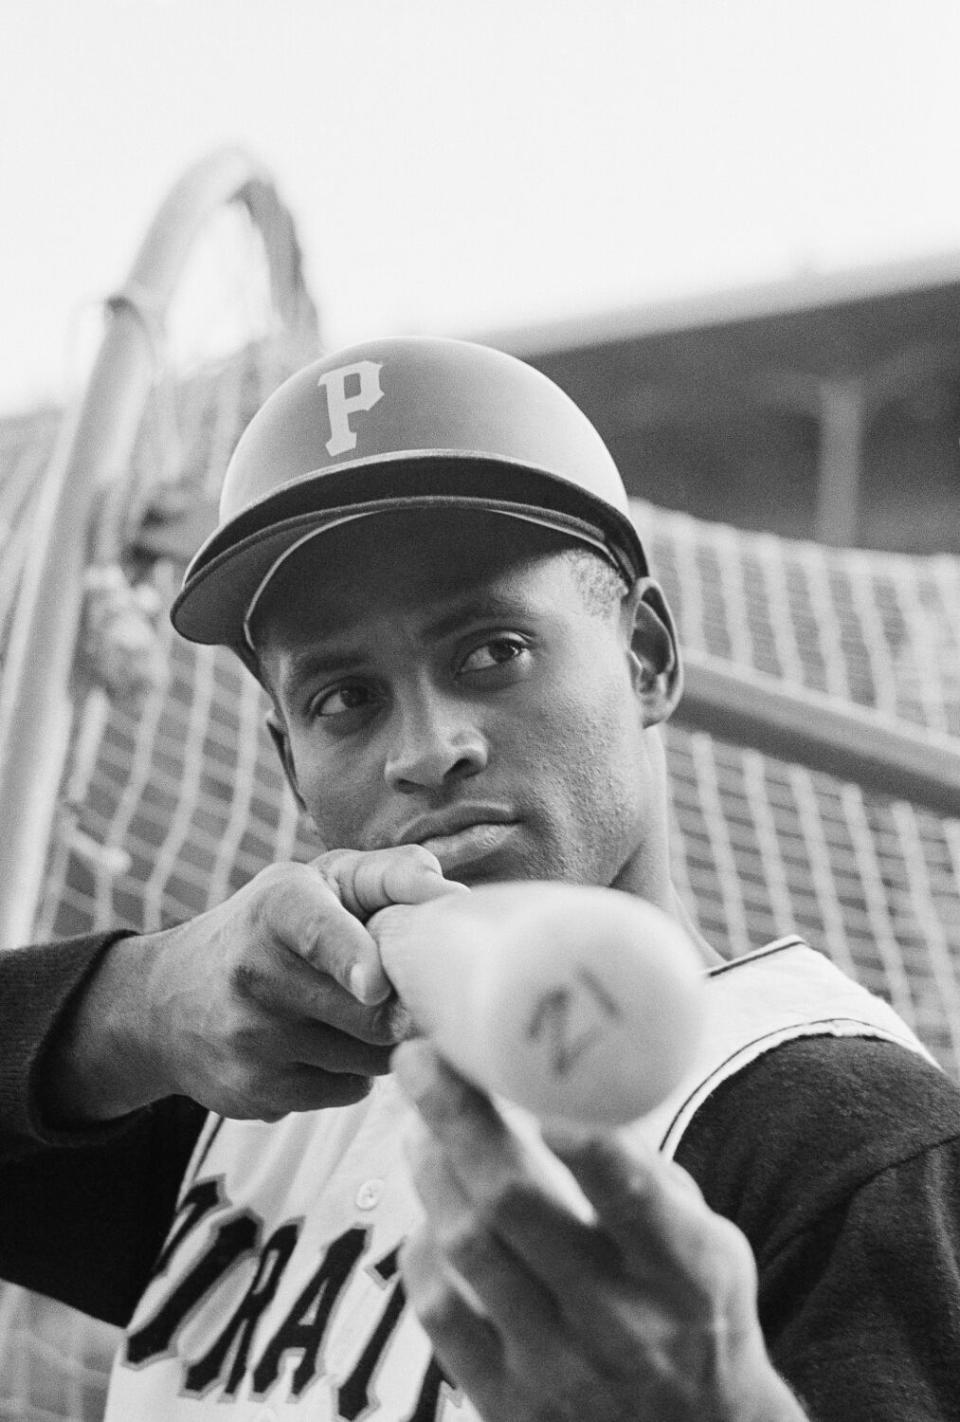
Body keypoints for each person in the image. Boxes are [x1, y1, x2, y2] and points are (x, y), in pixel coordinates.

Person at [1, 336, 959, 1421]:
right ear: (287, 762)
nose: (428, 746)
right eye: (343, 700)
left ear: (646, 656)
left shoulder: (838, 1130)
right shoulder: (256, 1084)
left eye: (492, 650)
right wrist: (135, 1005)